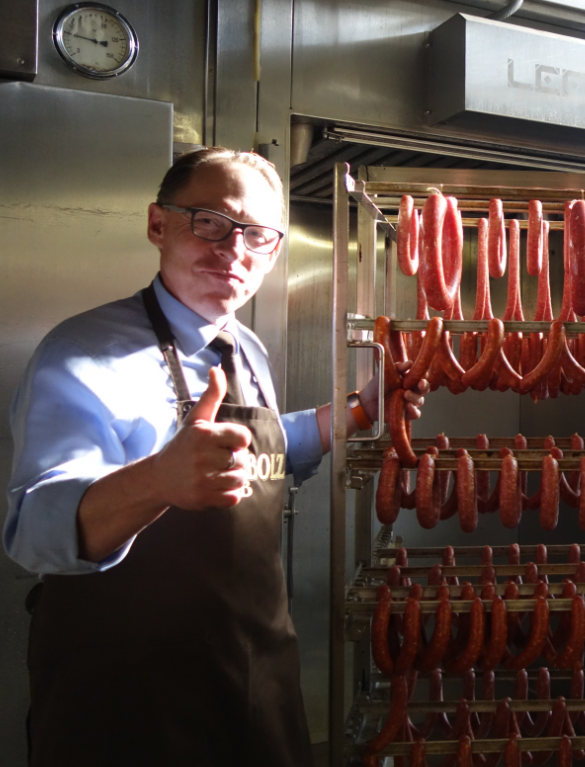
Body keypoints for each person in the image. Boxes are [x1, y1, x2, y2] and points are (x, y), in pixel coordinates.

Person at [4, 147, 419, 766]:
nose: (233, 248)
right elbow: (33, 529)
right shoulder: (83, 352)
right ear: (157, 224)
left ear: (273, 252)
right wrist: (157, 482)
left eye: (256, 234)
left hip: (255, 667)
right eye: (209, 221)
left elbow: (261, 453)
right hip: (127, 691)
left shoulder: (244, 346)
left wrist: (358, 413)